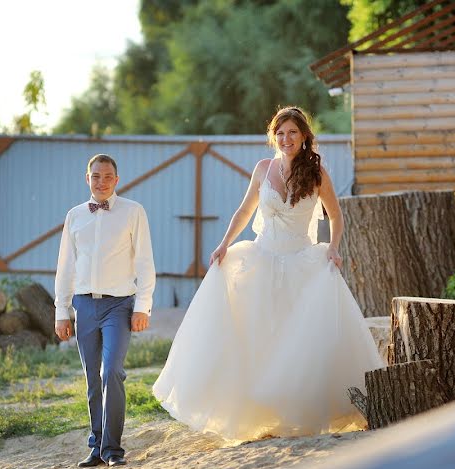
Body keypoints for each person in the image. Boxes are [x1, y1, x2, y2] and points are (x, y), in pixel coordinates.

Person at [153, 106, 384, 441]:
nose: (285, 138)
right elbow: (244, 211)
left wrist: (333, 247)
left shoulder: (316, 172)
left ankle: (297, 413)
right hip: (262, 258)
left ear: (304, 136)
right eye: (280, 132)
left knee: (298, 341)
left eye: (292, 132)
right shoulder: (263, 169)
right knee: (258, 335)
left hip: (302, 261)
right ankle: (256, 414)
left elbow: (336, 216)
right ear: (273, 136)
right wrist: (222, 245)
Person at [54, 154, 156, 467]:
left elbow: (144, 262)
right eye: (96, 176)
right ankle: (96, 446)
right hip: (84, 305)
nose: (101, 182)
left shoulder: (133, 212)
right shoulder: (74, 216)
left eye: (107, 176)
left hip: (119, 305)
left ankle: (113, 449)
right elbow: (66, 266)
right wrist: (61, 310)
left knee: (111, 370)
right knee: (92, 378)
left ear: (117, 180)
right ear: (87, 178)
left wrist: (143, 306)